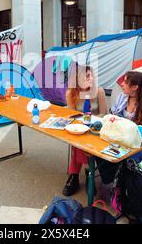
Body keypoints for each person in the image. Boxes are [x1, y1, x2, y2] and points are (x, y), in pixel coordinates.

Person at [96, 70, 142, 184]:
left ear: (135, 87)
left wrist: (139, 137)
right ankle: (111, 179)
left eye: (125, 82)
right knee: (101, 149)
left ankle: (123, 182)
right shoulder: (123, 97)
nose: (121, 84)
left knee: (126, 157)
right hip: (123, 137)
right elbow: (115, 116)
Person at [62, 65, 107, 196]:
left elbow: (104, 113)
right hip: (78, 128)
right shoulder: (71, 93)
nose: (91, 78)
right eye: (87, 76)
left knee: (78, 145)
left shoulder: (99, 91)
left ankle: (74, 176)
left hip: (96, 129)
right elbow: (72, 115)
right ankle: (88, 174)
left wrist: (90, 120)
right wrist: (82, 123)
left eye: (91, 75)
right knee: (79, 142)